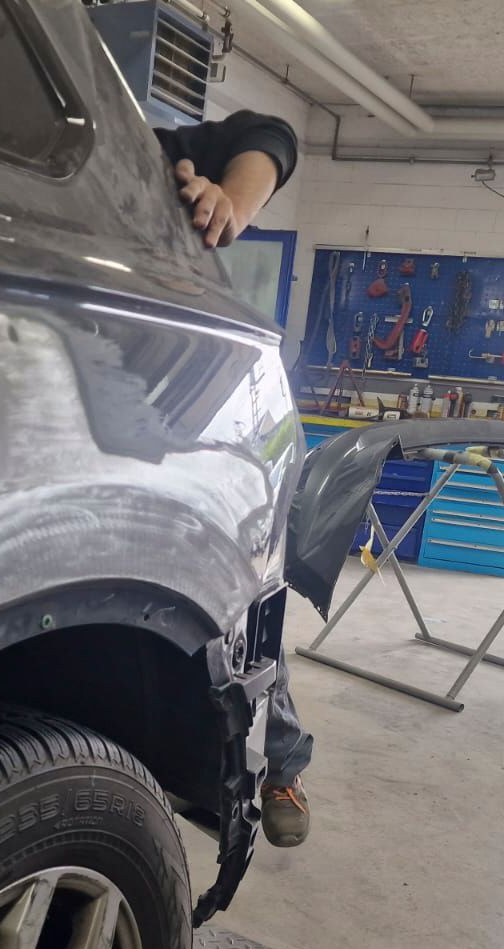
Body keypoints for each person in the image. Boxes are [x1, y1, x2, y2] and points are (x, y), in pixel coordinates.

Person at [154, 111, 313, 848]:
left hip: (210, 408)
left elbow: (270, 133)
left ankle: (281, 765)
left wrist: (231, 203)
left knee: (250, 606)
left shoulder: (137, 153)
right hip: (107, 416)